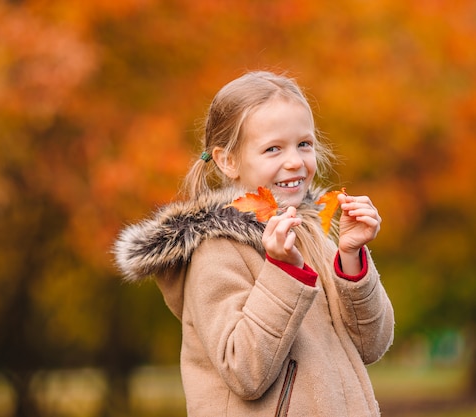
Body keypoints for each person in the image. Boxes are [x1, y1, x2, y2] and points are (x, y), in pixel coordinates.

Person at [113, 70, 394, 416]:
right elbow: (244, 372)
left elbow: (371, 344)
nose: (294, 161)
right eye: (273, 149)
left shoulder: (313, 238)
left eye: (304, 144)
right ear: (228, 161)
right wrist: (283, 272)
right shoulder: (216, 253)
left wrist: (350, 258)